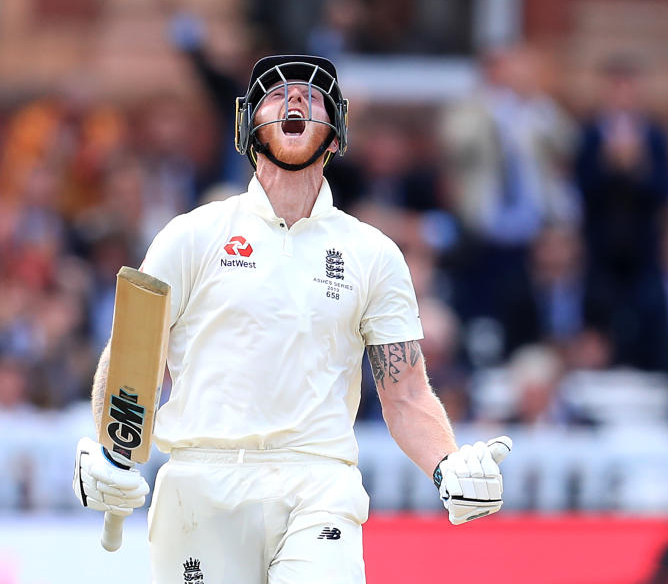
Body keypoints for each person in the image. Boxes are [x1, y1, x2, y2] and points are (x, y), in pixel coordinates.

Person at [71, 55, 512, 583]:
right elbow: (132, 358)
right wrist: (110, 454)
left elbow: (408, 393)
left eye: (312, 96)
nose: (296, 99)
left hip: (318, 484)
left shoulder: (372, 254)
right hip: (202, 487)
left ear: (335, 134)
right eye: (277, 95)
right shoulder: (192, 235)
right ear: (248, 128)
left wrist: (448, 463)